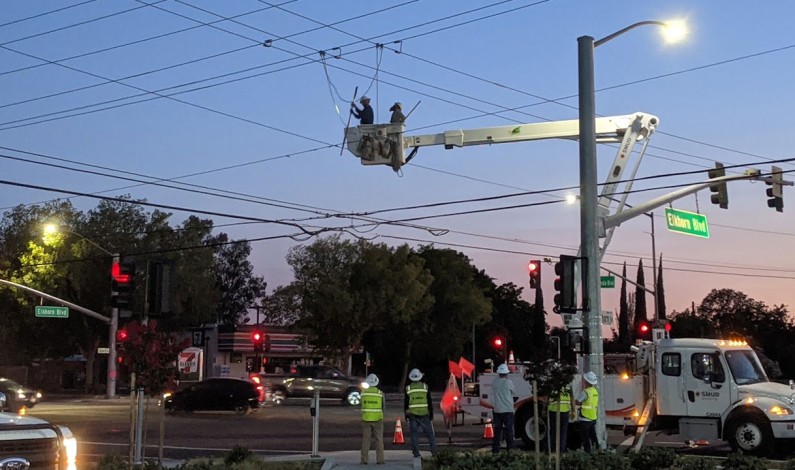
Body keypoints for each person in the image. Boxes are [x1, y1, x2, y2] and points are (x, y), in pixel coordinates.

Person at [405, 368, 437, 459]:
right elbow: (429, 401)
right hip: (424, 414)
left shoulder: (408, 388)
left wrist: (406, 415)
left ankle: (416, 453)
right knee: (430, 434)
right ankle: (434, 452)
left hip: (413, 415)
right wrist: (431, 414)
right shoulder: (425, 387)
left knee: (414, 435)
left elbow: (406, 403)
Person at [490, 363, 515, 453]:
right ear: (507, 374)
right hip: (508, 409)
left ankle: (495, 449)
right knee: (509, 430)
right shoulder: (509, 383)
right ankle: (510, 449)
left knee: (497, 430)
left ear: (499, 373)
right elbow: (513, 392)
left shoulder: (494, 383)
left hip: (497, 409)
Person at [360, 373, 385, 465]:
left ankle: (364, 459)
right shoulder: (380, 393)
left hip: (366, 418)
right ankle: (380, 459)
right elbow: (383, 406)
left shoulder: (363, 393)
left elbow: (361, 404)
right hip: (378, 419)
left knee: (366, 440)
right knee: (379, 440)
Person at [575, 371, 599, 453]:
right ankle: (597, 450)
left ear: (587, 382)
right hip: (593, 417)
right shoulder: (595, 391)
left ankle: (588, 452)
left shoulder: (585, 392)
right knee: (593, 436)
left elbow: (577, 401)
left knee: (585, 438)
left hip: (585, 418)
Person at [548, 383, 574, 453]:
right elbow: (572, 399)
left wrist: (544, 409)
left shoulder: (552, 385)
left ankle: (552, 449)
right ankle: (562, 449)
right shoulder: (568, 386)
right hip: (565, 411)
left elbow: (547, 398)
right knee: (563, 432)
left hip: (553, 410)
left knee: (553, 431)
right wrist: (573, 410)